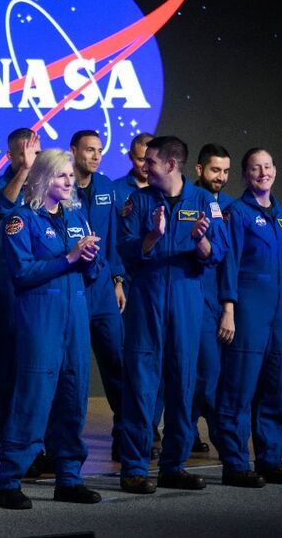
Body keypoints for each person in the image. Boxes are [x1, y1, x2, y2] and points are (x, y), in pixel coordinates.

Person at [117, 136, 228, 494]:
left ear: (171, 165)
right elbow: (126, 251)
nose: (143, 166)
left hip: (186, 302)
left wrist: (201, 243)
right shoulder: (139, 201)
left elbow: (218, 252)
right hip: (146, 303)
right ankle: (134, 467)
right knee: (140, 387)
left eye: (150, 161)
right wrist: (153, 235)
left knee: (183, 385)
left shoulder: (203, 203)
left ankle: (173, 465)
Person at [0, 148, 102, 510]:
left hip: (75, 316)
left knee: (73, 396)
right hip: (41, 319)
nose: (69, 182)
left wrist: (88, 259)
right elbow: (22, 273)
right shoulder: (19, 220)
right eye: (61, 176)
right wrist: (68, 258)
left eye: (70, 176)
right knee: (33, 399)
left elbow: (90, 273)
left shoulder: (76, 216)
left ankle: (69, 477)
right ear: (42, 178)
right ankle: (9, 481)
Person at [215, 148, 282, 488]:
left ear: (275, 171)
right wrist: (228, 308)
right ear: (245, 175)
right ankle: (236, 463)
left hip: (281, 314)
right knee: (238, 389)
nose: (262, 172)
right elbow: (228, 263)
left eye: (267, 166)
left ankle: (270, 460)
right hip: (248, 311)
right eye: (255, 168)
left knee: (274, 389)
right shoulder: (236, 213)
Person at [0, 127, 53, 477]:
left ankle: (37, 448)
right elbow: (3, 206)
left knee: (40, 370)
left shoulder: (48, 188)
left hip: (44, 289)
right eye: (24, 156)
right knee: (11, 370)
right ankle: (13, 447)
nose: (32, 161)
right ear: (10, 157)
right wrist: (23, 171)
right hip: (9, 287)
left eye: (36, 156)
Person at [69, 130, 127, 462]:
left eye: (99, 150)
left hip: (104, 289)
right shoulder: (61, 185)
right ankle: (63, 445)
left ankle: (124, 436)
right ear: (73, 150)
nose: (95, 156)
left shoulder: (107, 187)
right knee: (72, 371)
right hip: (74, 286)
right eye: (89, 149)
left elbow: (115, 238)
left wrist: (118, 280)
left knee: (118, 364)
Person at [111, 132, 163, 455]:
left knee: (163, 362)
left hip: (159, 288)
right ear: (131, 158)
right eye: (141, 158)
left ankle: (151, 429)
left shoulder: (169, 193)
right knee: (132, 364)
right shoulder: (118, 192)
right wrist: (117, 279)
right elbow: (112, 238)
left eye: (151, 159)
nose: (145, 165)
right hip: (128, 285)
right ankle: (127, 434)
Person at [190, 144, 233, 454]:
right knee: (194, 373)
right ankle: (193, 433)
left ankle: (220, 439)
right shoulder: (187, 201)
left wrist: (229, 306)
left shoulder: (232, 207)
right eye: (215, 170)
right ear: (199, 169)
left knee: (212, 374)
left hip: (220, 302)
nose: (220, 177)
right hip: (192, 299)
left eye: (226, 171)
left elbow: (230, 260)